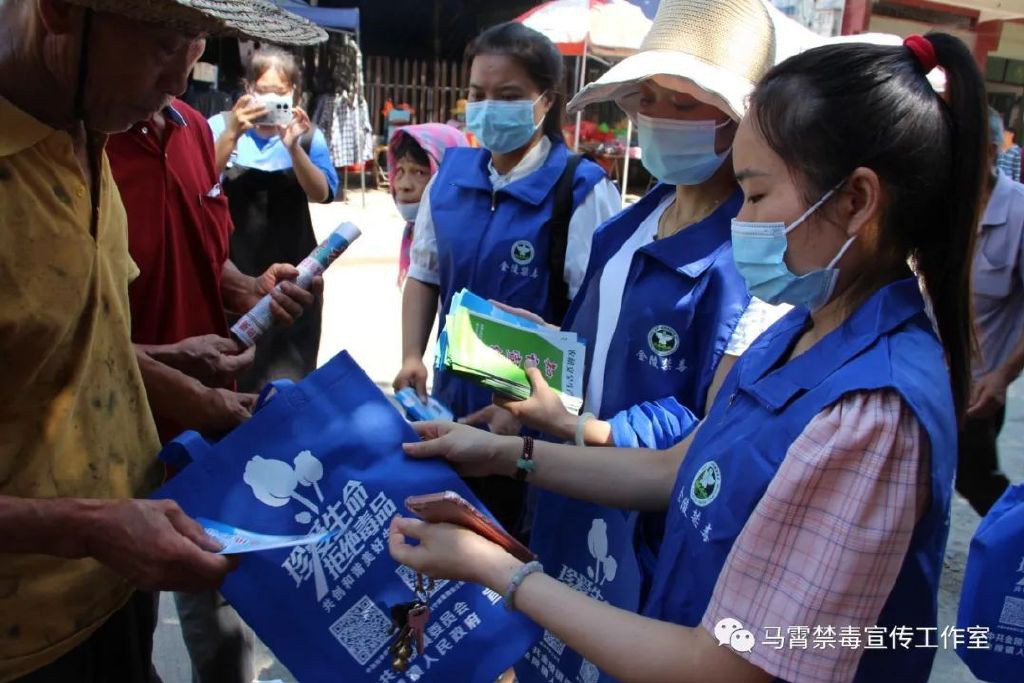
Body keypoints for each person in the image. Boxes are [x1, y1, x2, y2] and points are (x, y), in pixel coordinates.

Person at [390, 32, 983, 683]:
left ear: (856, 200)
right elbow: (676, 468)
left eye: (756, 196)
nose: (740, 222)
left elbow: (726, 666)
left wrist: (498, 570)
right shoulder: (797, 333)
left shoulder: (872, 413)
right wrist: (506, 454)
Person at [455, 5, 795, 680]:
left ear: (743, 119)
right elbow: (597, 348)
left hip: (648, 535)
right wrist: (538, 361)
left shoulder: (757, 257)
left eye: (686, 103)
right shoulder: (631, 224)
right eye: (649, 97)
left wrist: (580, 426)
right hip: (565, 495)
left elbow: (715, 433)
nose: (660, 115)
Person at [0, 0, 324, 681]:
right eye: (163, 43)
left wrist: (160, 358)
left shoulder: (92, 124)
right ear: (59, 11)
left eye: (198, 45)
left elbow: (65, 338)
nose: (180, 84)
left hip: (112, 587)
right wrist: (87, 525)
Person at [107, 96, 321, 682]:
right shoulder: (77, 138)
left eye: (192, 49)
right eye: (162, 49)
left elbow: (204, 252)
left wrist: (247, 288)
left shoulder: (192, 128)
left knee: (220, 620)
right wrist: (175, 381)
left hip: (206, 437)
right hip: (107, 438)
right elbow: (71, 335)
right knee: (116, 627)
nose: (179, 66)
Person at [392, 21, 620, 529]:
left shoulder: (581, 190)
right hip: (451, 405)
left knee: (514, 542)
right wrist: (411, 356)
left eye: (509, 95)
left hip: (539, 422)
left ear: (546, 100)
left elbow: (597, 318)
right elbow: (425, 272)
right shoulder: (449, 179)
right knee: (450, 534)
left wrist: (522, 409)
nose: (489, 106)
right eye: (478, 94)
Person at [210, 47, 340, 393]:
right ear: (247, 88)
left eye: (280, 92)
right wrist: (233, 134)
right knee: (231, 383)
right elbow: (198, 181)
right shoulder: (220, 127)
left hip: (293, 285)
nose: (271, 100)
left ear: (294, 94)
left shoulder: (308, 137)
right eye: (263, 90)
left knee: (287, 388)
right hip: (234, 280)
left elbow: (321, 192)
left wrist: (293, 147)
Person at [957, 107, 1022, 515]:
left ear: (991, 152)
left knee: (976, 480)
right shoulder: (942, 205)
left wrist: (1002, 376)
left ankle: (1013, 540)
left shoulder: (1018, 213)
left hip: (978, 389)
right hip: (926, 374)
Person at [387, 123, 467, 285]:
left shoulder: (460, 244)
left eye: (419, 172)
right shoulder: (415, 232)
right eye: (400, 170)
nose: (404, 185)